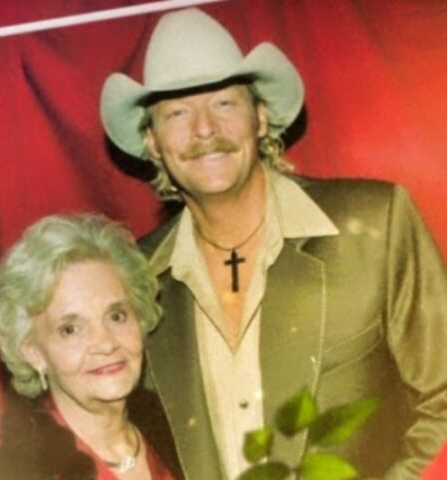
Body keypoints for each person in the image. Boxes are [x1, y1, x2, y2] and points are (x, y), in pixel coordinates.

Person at [100, 7, 447, 480]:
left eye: (225, 103)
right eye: (177, 112)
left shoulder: (375, 224)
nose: (205, 129)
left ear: (260, 118)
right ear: (153, 143)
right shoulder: (133, 280)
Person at [0, 214, 180, 479]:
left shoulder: (179, 432)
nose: (106, 344)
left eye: (116, 316)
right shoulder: (14, 474)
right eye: (70, 329)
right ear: (33, 352)